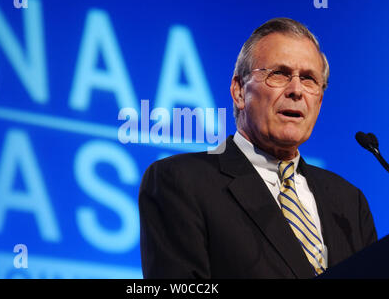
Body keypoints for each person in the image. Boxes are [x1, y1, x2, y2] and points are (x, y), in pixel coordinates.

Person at [138, 18, 377, 278]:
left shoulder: (349, 202)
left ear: (319, 99)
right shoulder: (180, 181)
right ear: (239, 91)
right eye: (279, 74)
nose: (296, 90)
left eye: (309, 79)